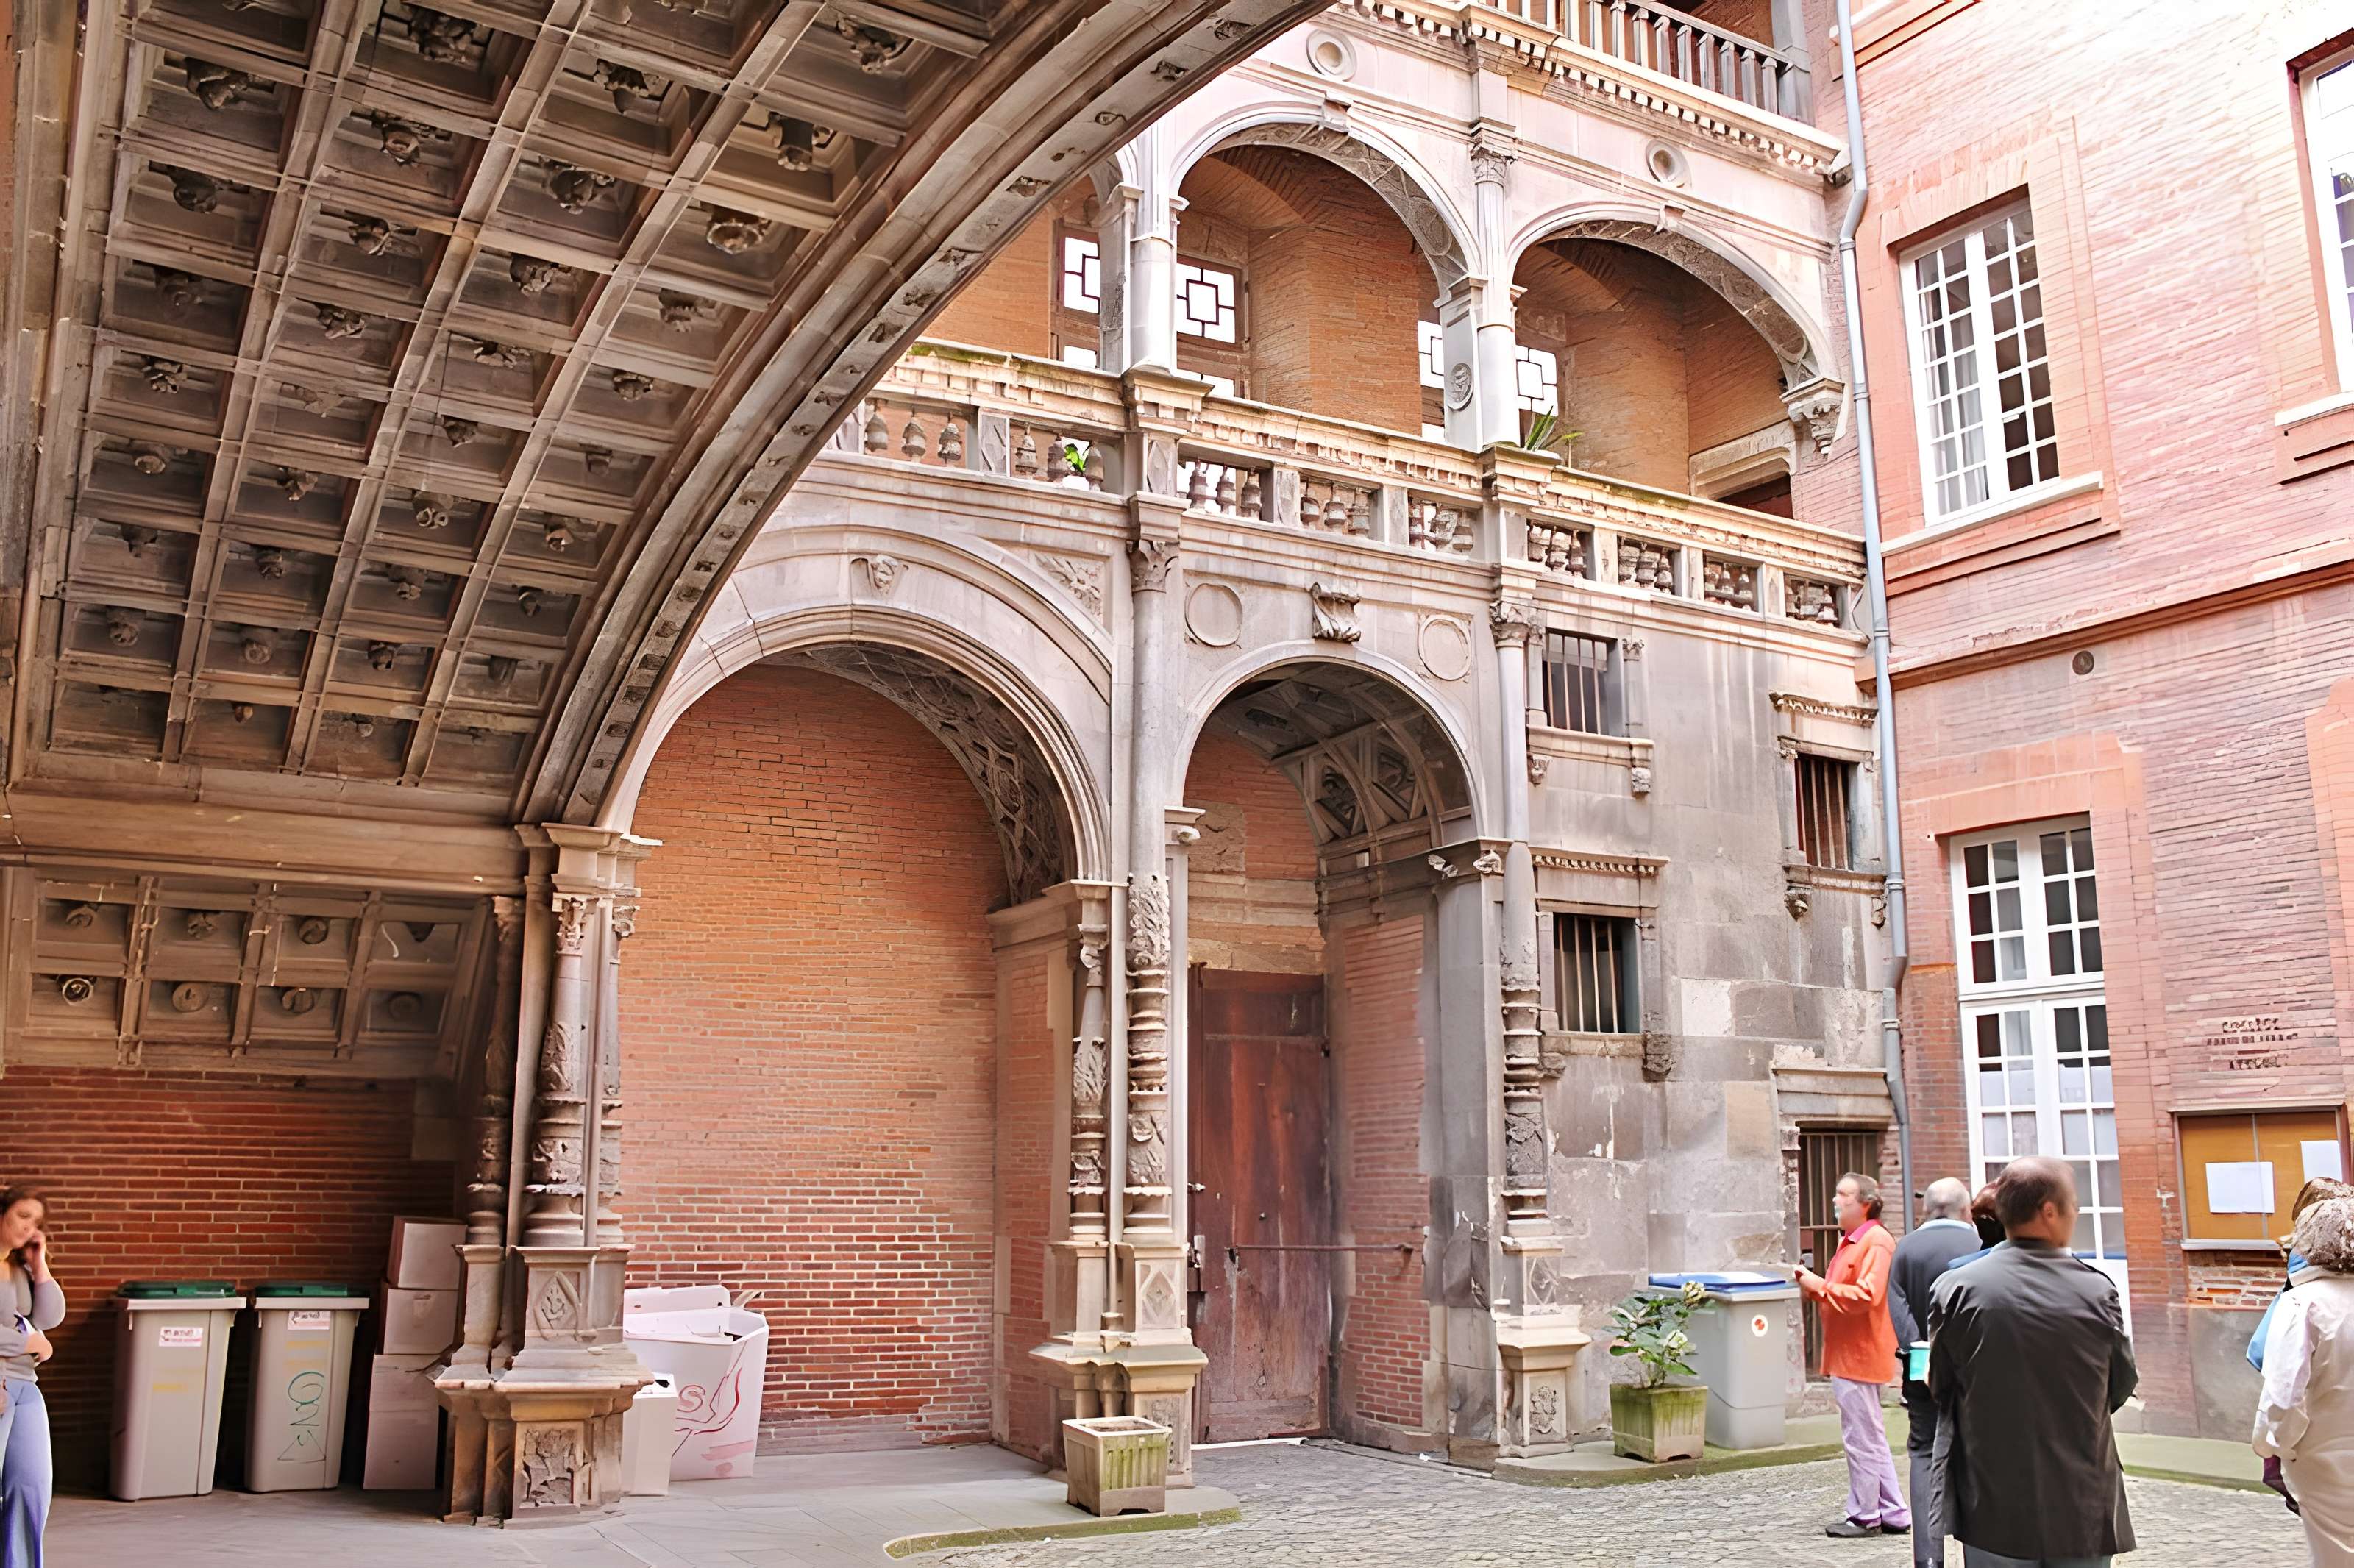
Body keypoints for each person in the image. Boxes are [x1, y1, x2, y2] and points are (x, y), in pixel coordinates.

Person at [1928, 1156, 2136, 1567]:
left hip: (1991, 1493)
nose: (2076, 1214)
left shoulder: (1955, 1288)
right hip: (2081, 1496)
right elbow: (2119, 1384)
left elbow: (1941, 1383)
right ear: (2049, 1211)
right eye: (2073, 1204)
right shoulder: (2096, 1291)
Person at [1796, 1170, 1909, 1539]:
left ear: (1864, 1204)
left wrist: (1820, 1286)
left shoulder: (1874, 1241)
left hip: (1859, 1354)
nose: (1835, 1200)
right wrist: (1818, 1288)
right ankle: (1893, 1512)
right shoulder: (1857, 1240)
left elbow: (1866, 1297)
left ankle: (1865, 1515)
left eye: (1842, 1194)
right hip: (1851, 1353)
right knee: (1869, 1435)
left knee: (1861, 1437)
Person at [2254, 1194, 2354, 1564]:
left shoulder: (2303, 1303)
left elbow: (2284, 1394)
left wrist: (2278, 1444)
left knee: (2333, 1553)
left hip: (2322, 1453)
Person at [1889, 1177, 1983, 1568]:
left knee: (1924, 1453)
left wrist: (1919, 1354)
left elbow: (1897, 1309)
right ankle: (1980, 1552)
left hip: (1921, 1370)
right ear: (1967, 1211)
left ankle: (1928, 1560)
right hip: (1975, 1372)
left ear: (1925, 1210)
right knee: (1978, 1456)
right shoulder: (1981, 1247)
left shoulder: (1904, 1248)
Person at [0, 1186, 60, 1568]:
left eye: (36, 1222)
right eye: (23, 1216)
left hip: (25, 1387)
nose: (29, 1227)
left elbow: (51, 1317)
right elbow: (33, 1334)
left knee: (32, 1488)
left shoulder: (18, 1269)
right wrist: (27, 1341)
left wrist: (40, 1265)